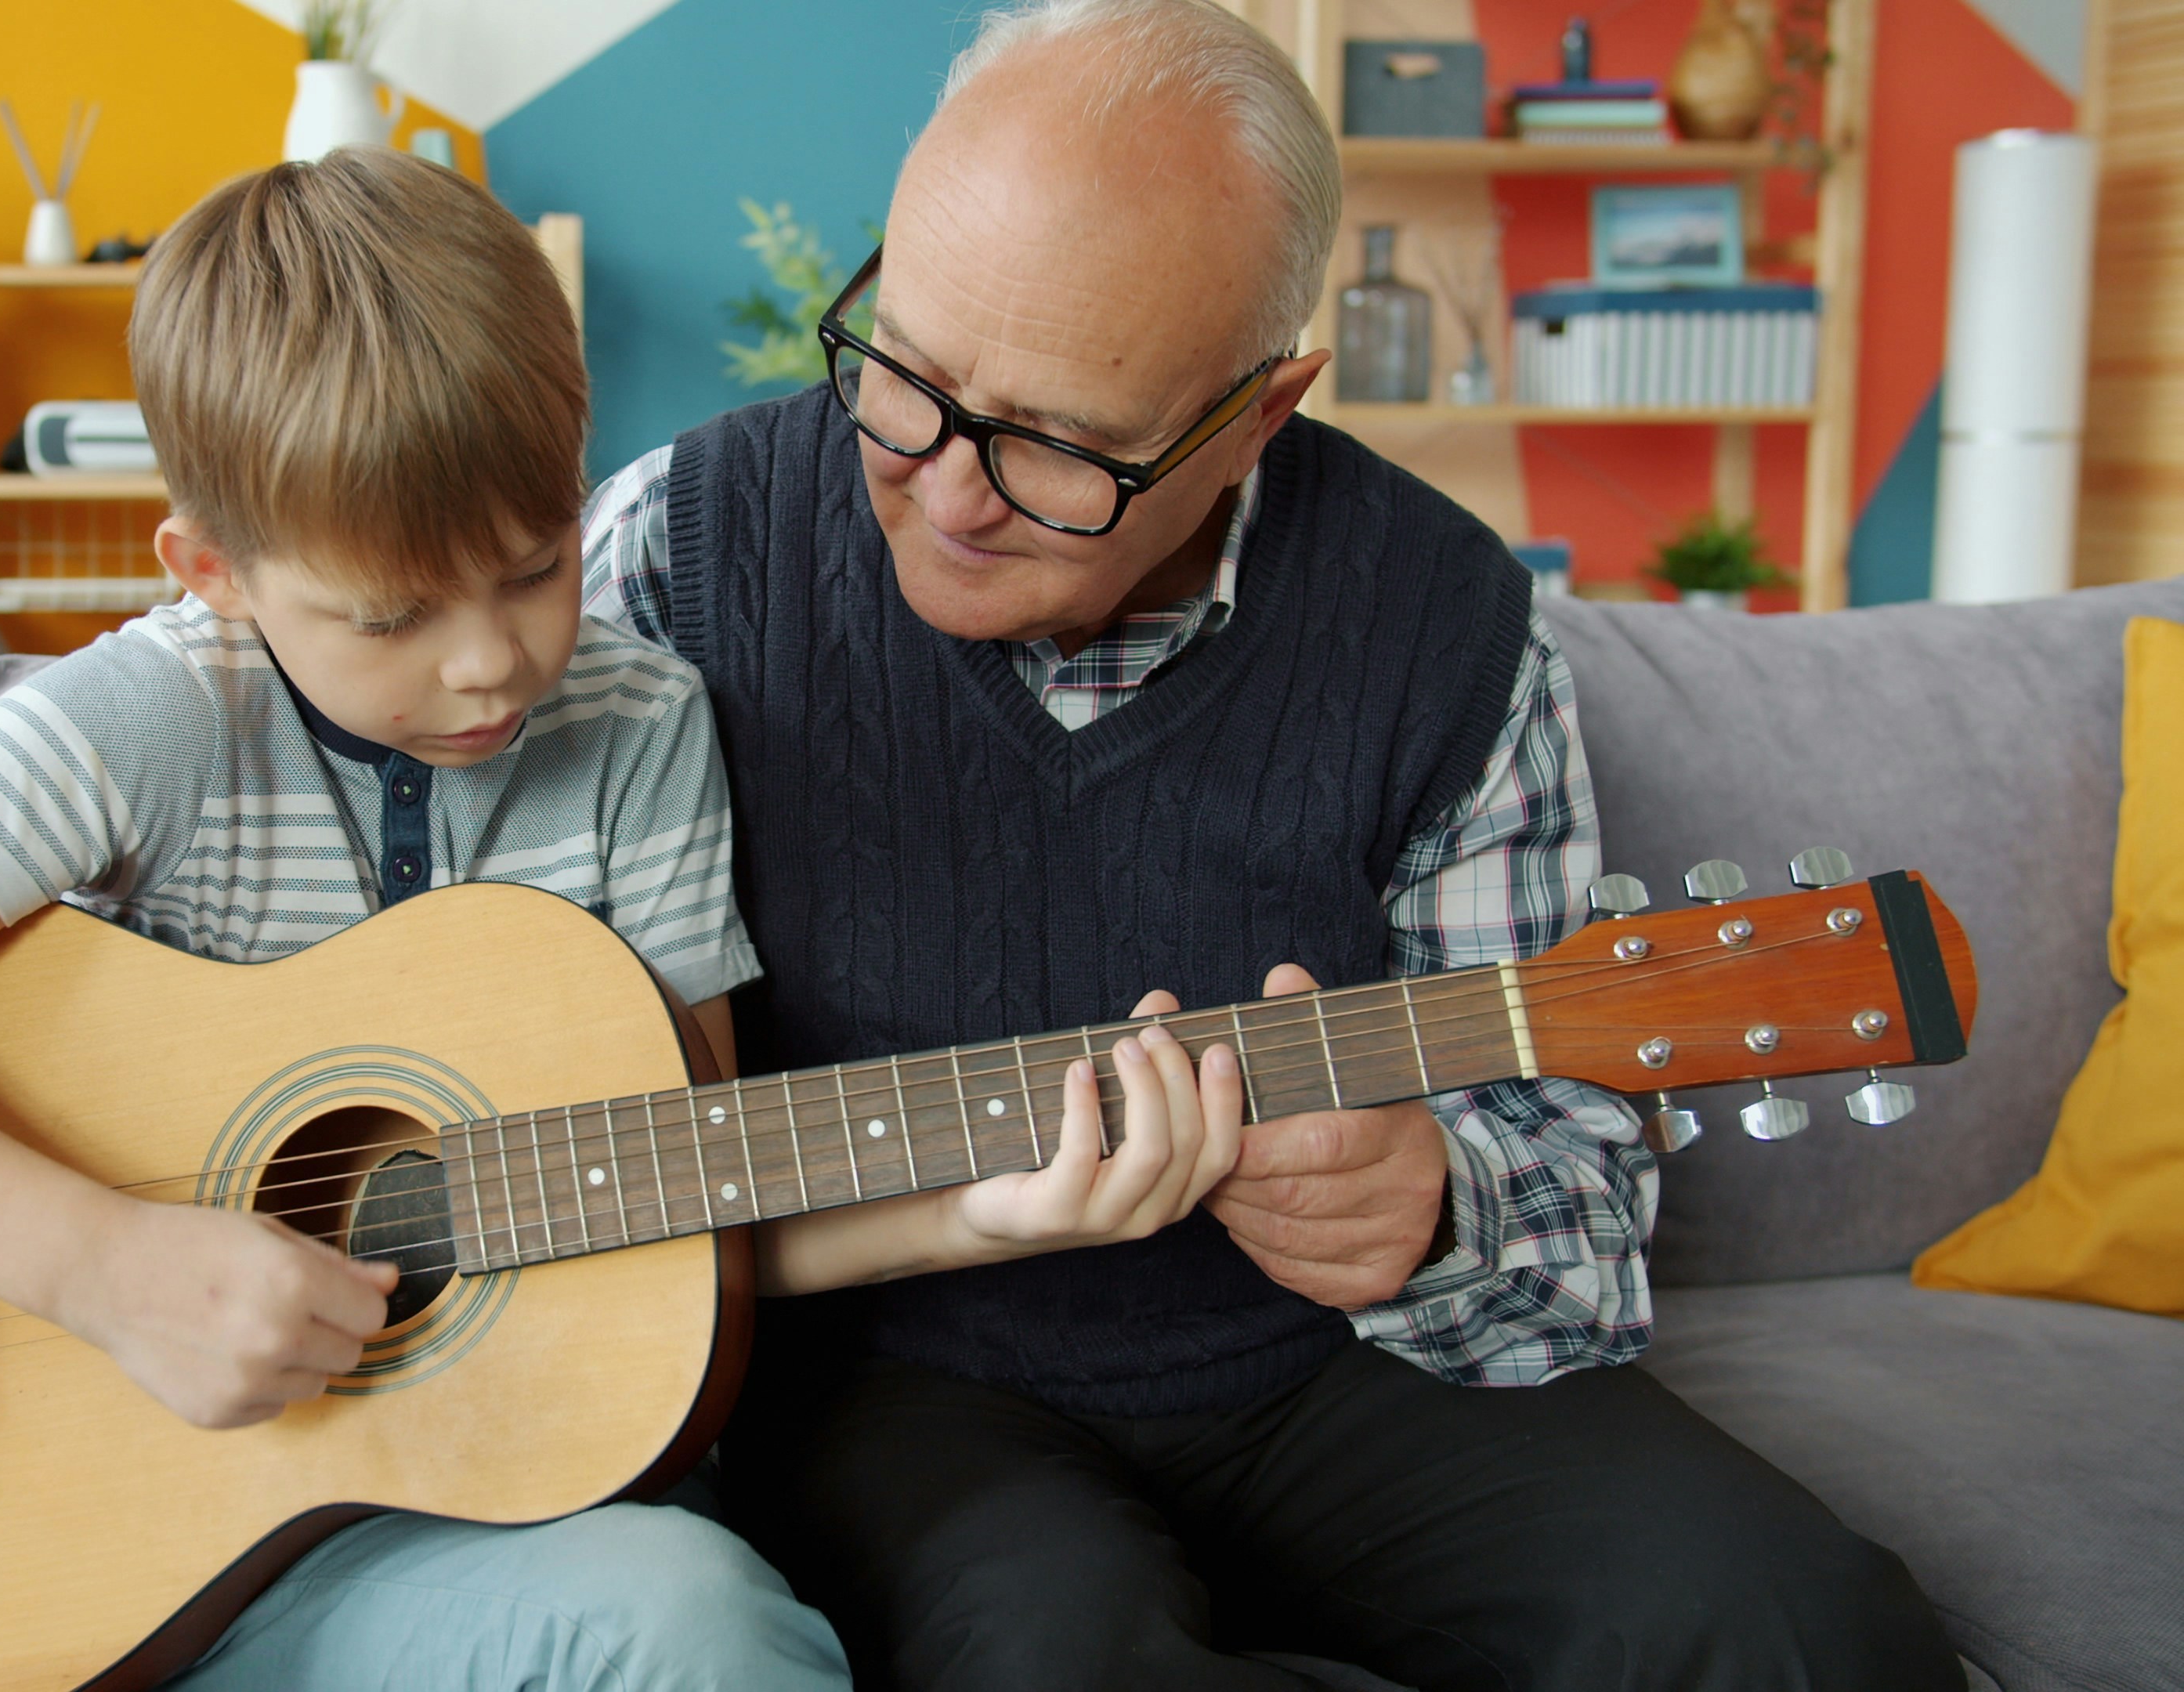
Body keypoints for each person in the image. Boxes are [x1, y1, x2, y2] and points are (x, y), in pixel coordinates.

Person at [573, 2, 1966, 1686]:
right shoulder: (677, 553)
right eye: (911, 378)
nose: (947, 491)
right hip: (888, 1383)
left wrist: (1436, 1206)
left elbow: (1583, 1203)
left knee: (1806, 1634)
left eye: (1058, 448)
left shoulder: (1449, 631)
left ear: (1258, 413)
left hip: (1326, 1372)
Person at [0, 150, 858, 1690]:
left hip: (504, 1502)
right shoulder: (157, 717)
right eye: (395, 614)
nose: (489, 664)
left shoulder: (640, 720)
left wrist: (994, 1210)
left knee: (696, 1622)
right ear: (215, 573)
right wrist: (100, 1269)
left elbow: (692, 1189)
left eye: (534, 570)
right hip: (117, 1535)